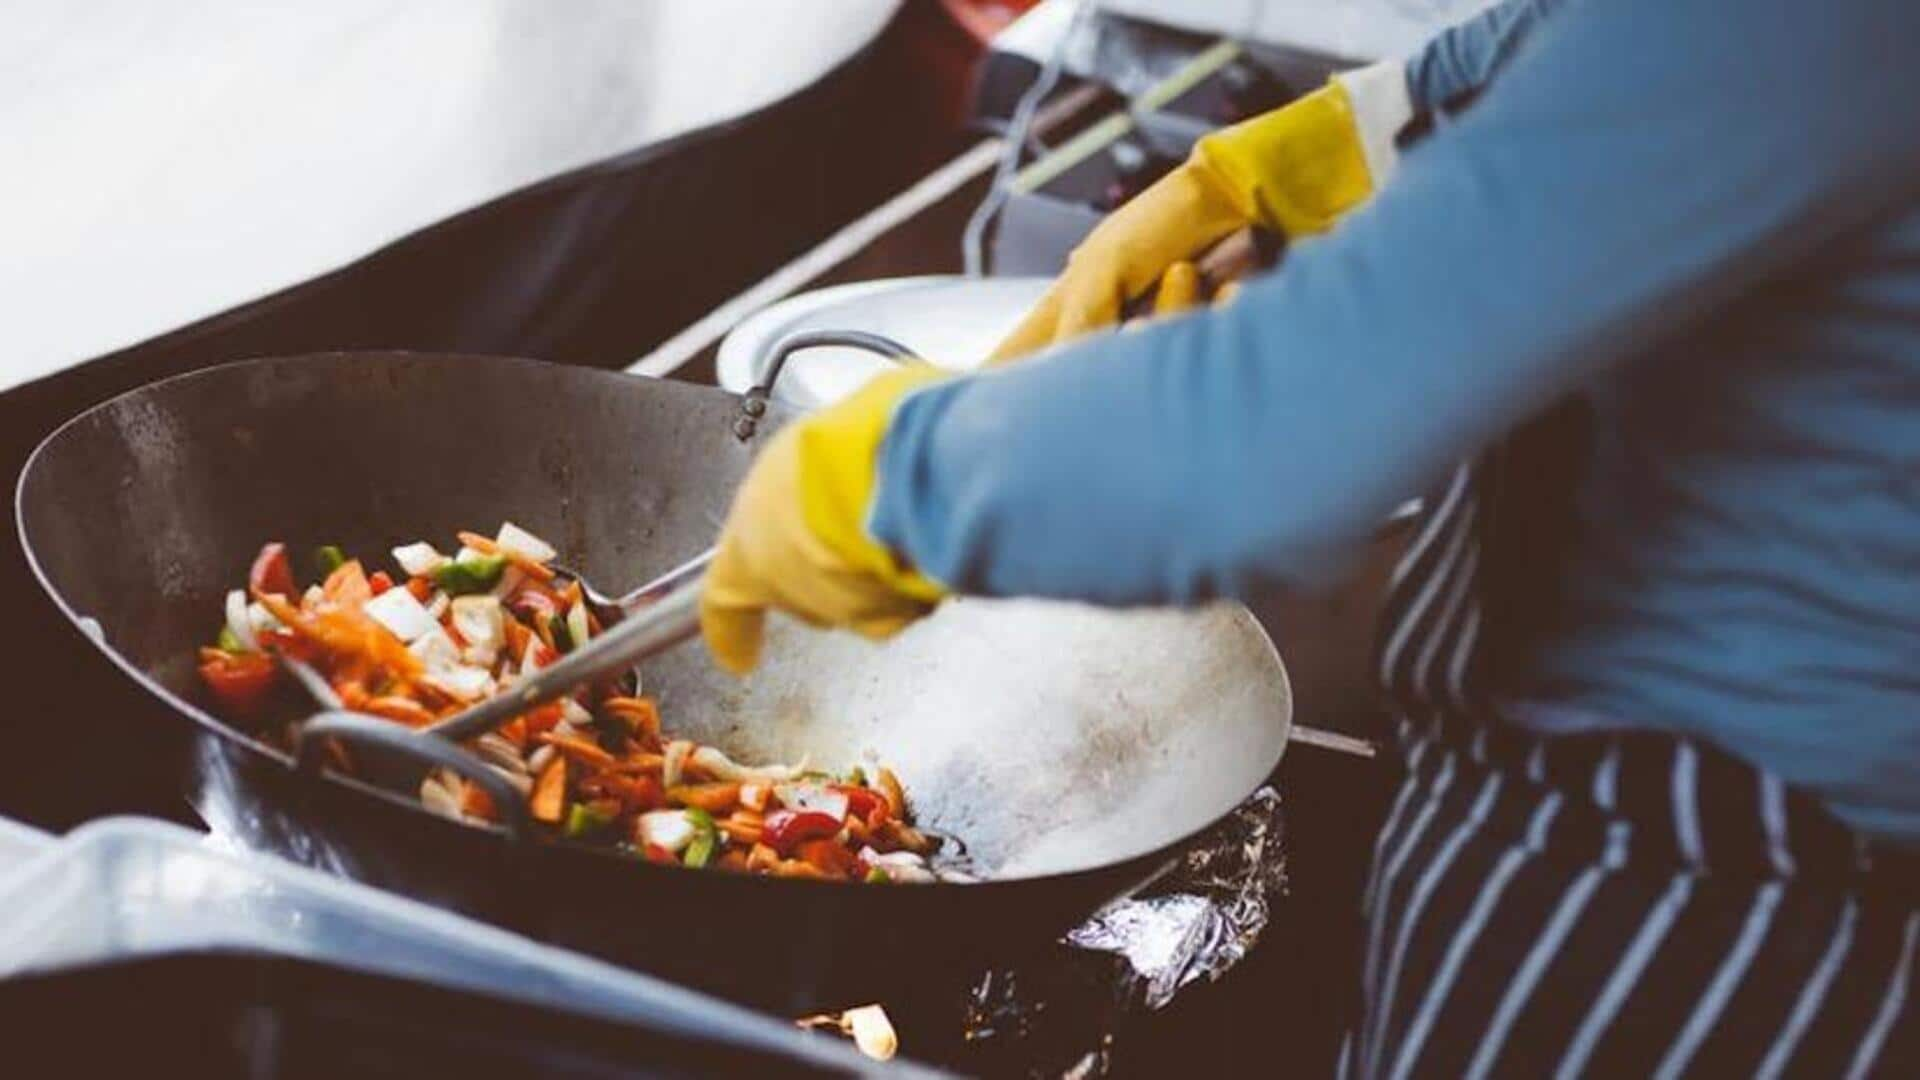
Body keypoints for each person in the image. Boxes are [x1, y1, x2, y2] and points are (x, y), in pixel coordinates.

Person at [700, 0, 1920, 1072]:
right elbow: (1606, 42)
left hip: (1698, 894)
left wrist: (898, 477)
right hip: (1646, 830)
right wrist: (1357, 136)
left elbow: (1282, 434)